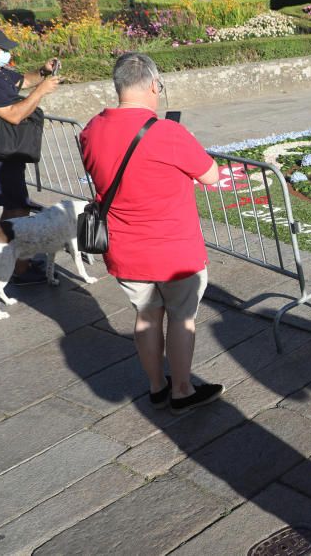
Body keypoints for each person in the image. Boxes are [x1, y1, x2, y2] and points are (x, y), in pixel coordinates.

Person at [80, 53, 223, 414]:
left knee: (145, 316)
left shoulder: (90, 130)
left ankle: (156, 386)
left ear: (118, 87)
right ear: (155, 85)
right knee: (181, 317)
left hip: (125, 249)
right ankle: (182, 388)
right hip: (175, 251)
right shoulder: (168, 133)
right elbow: (211, 176)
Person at [0, 24, 60, 284]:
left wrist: (42, 72)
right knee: (17, 209)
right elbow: (14, 115)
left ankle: (5, 256)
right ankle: (20, 269)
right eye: (2, 49)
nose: (6, 53)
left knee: (14, 207)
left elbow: (21, 81)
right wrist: (41, 92)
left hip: (7, 147)